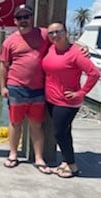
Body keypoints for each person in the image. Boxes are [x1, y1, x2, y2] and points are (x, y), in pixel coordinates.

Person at [0, 4, 52, 174]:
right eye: (20, 18)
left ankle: (38, 157)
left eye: (26, 16)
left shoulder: (44, 33)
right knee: (15, 124)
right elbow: (3, 65)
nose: (23, 20)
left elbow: (62, 41)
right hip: (16, 88)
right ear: (15, 21)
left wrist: (81, 48)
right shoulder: (9, 41)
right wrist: (2, 86)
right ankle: (13, 154)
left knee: (36, 125)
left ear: (31, 17)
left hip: (38, 89)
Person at [42, 22, 100, 178]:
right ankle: (65, 162)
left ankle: (73, 166)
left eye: (58, 32)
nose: (54, 35)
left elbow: (94, 73)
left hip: (66, 102)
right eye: (51, 33)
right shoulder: (51, 48)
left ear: (66, 32)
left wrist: (81, 92)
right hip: (51, 99)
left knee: (59, 133)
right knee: (65, 132)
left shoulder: (76, 53)